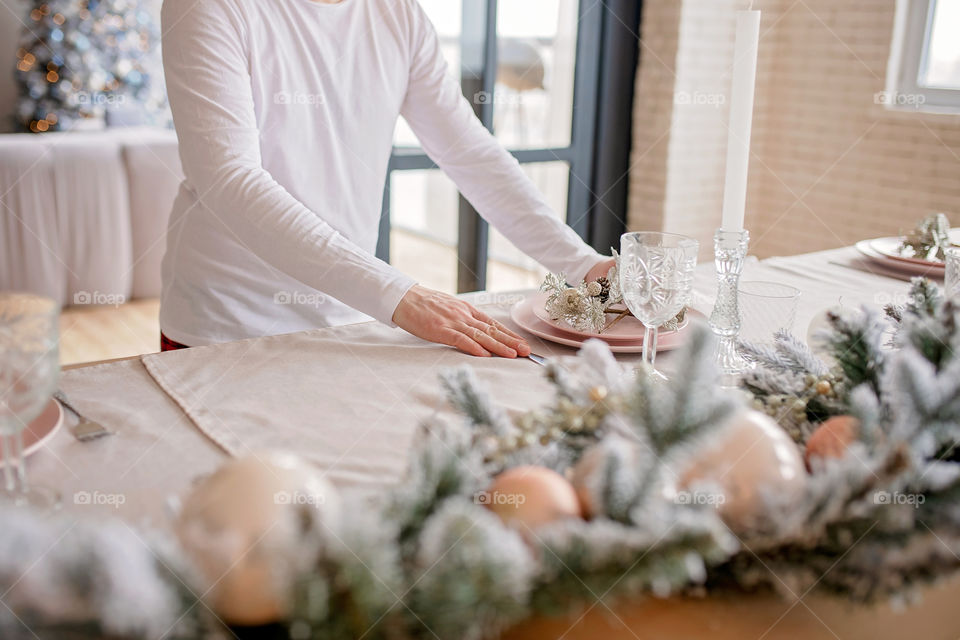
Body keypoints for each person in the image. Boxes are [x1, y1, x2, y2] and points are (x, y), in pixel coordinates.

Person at [159, 0, 613, 358]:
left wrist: (583, 265)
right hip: (227, 324)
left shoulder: (398, 13)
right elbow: (229, 177)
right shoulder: (210, 6)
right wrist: (399, 295)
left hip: (349, 315)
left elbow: (470, 154)